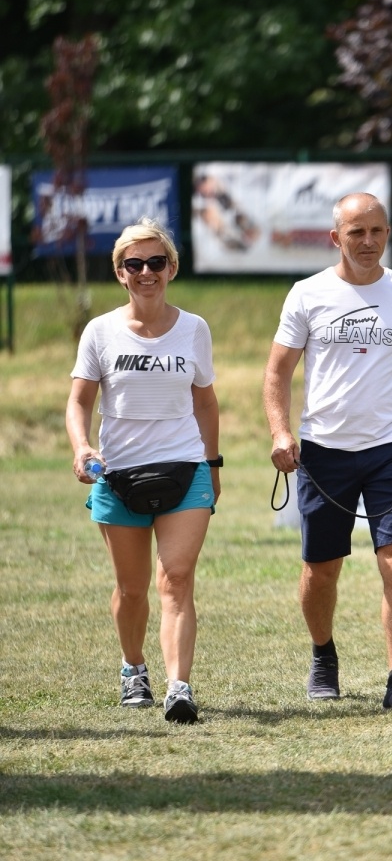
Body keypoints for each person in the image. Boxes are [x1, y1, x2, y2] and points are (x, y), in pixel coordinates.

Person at [264, 191, 392, 712]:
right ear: (335, 237)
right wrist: (281, 433)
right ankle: (323, 654)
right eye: (356, 233)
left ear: (388, 234)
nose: (368, 242)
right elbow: (277, 372)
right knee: (321, 569)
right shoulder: (306, 294)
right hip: (323, 452)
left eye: (376, 231)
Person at [65, 217, 222, 724]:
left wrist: (212, 465)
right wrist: (81, 445)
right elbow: (78, 402)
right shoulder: (100, 331)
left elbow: (206, 404)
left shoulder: (194, 329)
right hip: (118, 474)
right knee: (131, 589)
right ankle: (134, 668)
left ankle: (180, 687)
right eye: (135, 264)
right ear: (120, 273)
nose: (146, 272)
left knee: (175, 579)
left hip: (185, 468)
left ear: (172, 267)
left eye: (156, 262)